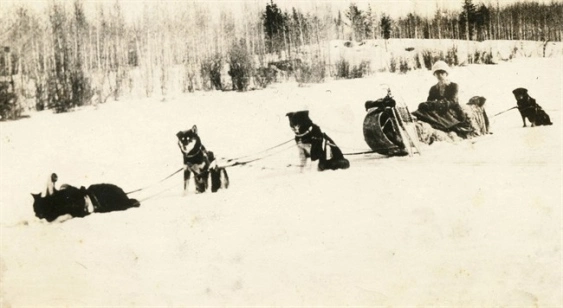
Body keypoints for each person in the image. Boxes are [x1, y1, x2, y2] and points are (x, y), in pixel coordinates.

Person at [413, 61, 469, 136]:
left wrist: (437, 104)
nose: (440, 75)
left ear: (446, 74)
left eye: (442, 73)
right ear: (434, 75)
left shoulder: (453, 86)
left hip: (451, 108)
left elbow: (453, 101)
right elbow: (430, 101)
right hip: (438, 108)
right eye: (437, 73)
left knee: (444, 119)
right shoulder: (433, 88)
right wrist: (427, 104)